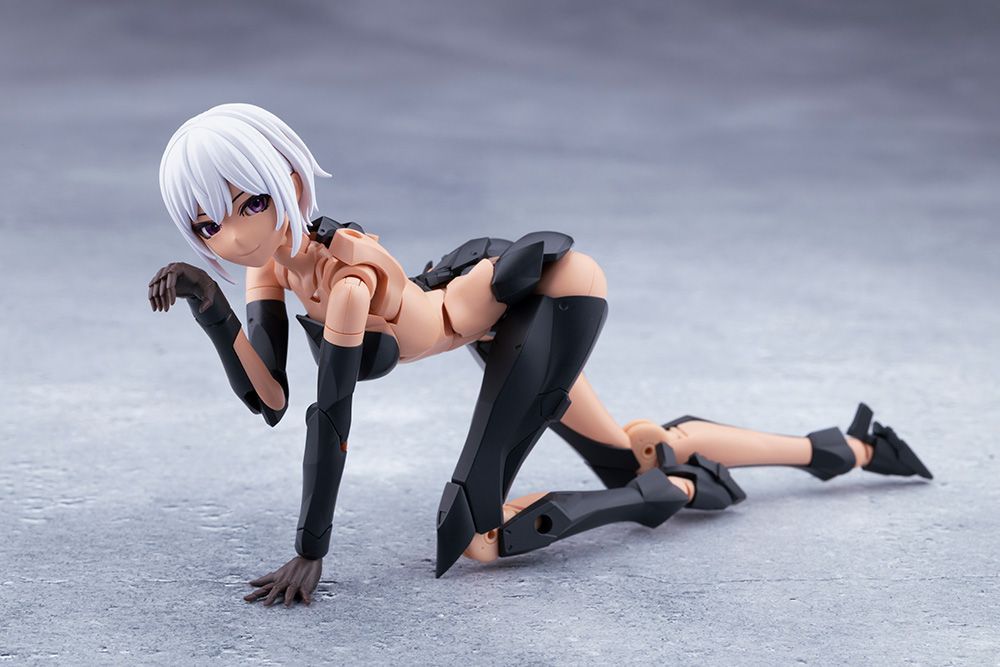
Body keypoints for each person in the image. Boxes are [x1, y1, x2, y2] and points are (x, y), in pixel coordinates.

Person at [149, 103, 932, 608]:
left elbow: (331, 418)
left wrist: (309, 551)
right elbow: (272, 400)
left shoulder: (346, 283)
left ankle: (667, 492)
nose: (234, 233)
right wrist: (210, 305)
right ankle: (847, 447)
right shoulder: (272, 269)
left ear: (289, 183)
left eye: (250, 202)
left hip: (547, 290)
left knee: (478, 531)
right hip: (488, 318)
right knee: (633, 452)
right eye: (209, 223)